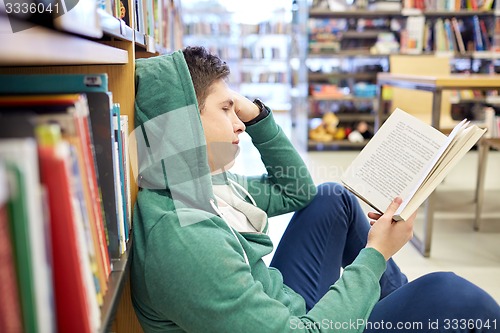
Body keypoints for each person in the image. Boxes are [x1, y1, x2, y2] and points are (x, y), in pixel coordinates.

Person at [130, 46, 500, 333]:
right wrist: (376, 253)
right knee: (453, 295)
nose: (238, 124)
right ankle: (397, 306)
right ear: (182, 125)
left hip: (281, 305)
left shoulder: (197, 183)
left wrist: (257, 115)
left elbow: (297, 192)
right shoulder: (185, 239)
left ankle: (394, 302)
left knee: (331, 198)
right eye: (226, 109)